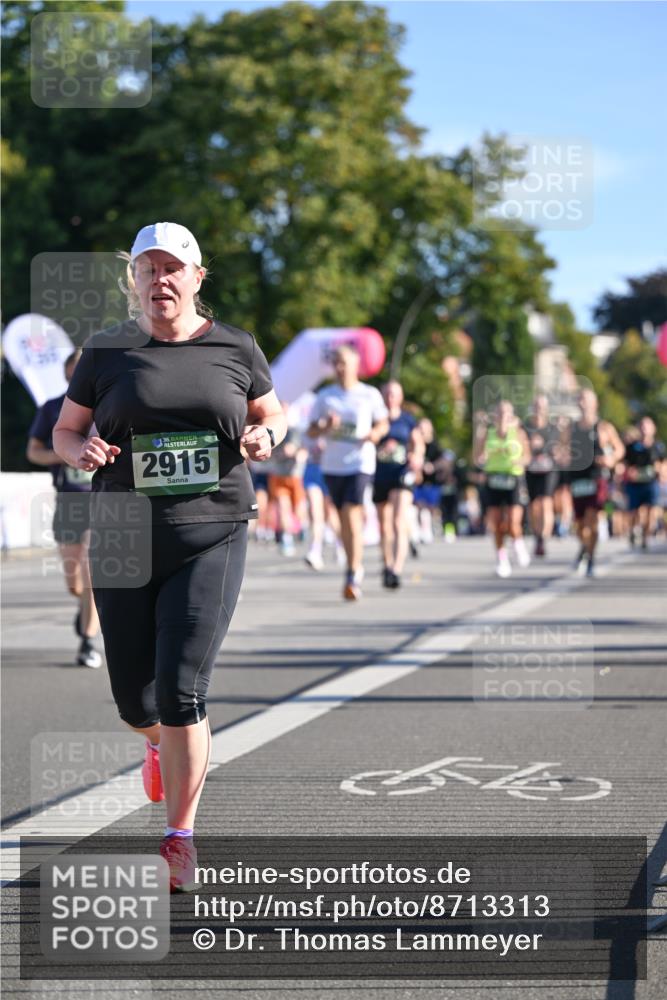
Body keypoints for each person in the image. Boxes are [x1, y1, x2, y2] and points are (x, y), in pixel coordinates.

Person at [53, 222, 286, 891]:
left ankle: (179, 834)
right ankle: (156, 744)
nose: (162, 280)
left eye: (173, 268)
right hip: (124, 531)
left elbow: (275, 412)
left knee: (183, 689)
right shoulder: (107, 352)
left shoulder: (234, 346)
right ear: (134, 280)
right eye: (148, 269)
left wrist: (266, 433)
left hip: (211, 530)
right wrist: (82, 451)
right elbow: (69, 430)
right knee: (135, 701)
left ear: (196, 277)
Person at [27, 350, 102, 668]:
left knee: (91, 570)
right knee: (75, 581)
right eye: (76, 366)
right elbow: (34, 452)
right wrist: (68, 451)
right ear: (68, 372)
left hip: (101, 499)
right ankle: (84, 607)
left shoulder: (111, 403)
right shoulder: (53, 408)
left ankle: (87, 641)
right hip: (68, 501)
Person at [307, 344, 388, 600]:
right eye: (337, 363)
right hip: (333, 465)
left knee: (352, 514)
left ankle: (352, 573)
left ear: (356, 365)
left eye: (344, 363)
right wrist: (325, 426)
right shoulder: (325, 396)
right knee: (342, 519)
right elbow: (310, 431)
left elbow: (383, 422)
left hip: (359, 463)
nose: (340, 368)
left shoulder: (369, 394)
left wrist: (375, 434)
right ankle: (355, 563)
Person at [565, 388, 624, 577]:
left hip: (597, 477)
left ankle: (590, 558)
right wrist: (562, 457)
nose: (582, 402)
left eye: (586, 399)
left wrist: (611, 459)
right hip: (577, 478)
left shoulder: (604, 427)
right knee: (581, 524)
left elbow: (619, 449)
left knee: (593, 518)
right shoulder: (570, 428)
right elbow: (560, 448)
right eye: (580, 399)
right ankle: (584, 547)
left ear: (594, 404)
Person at [373, 381, 424, 588]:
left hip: (402, 473)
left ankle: (396, 568)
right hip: (380, 473)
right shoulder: (375, 419)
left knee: (398, 521)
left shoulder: (407, 420)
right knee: (384, 527)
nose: (390, 398)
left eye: (394, 394)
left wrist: (416, 458)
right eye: (387, 394)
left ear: (400, 397)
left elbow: (418, 444)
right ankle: (386, 564)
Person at [473, 401, 531, 577]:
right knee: (497, 524)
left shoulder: (518, 433)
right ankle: (501, 558)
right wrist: (482, 456)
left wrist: (518, 461)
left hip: (513, 477)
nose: (502, 416)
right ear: (495, 416)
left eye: (506, 413)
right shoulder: (487, 434)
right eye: (499, 413)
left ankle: (518, 542)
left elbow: (527, 456)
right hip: (493, 478)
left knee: (513, 521)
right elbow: (477, 457)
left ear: (511, 416)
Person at [267, 402, 308, 556]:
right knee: (283, 507)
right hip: (278, 474)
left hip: (295, 475)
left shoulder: (295, 430)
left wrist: (297, 453)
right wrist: (279, 454)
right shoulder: (271, 430)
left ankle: (302, 525)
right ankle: (286, 538)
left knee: (298, 510)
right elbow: (268, 453)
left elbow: (304, 448)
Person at [523, 393, 560, 557]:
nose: (539, 410)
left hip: (548, 470)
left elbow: (560, 448)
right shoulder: (525, 427)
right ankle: (537, 535)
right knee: (533, 505)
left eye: (542, 407)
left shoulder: (553, 428)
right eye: (537, 406)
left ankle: (543, 539)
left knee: (545, 502)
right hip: (530, 470)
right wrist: (528, 445)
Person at [623, 416, 665, 550]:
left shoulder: (658, 446)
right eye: (642, 426)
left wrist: (661, 470)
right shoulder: (632, 446)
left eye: (647, 426)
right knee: (635, 512)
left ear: (653, 429)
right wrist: (628, 471)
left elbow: (663, 462)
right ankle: (633, 530)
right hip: (635, 483)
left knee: (651, 510)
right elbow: (624, 463)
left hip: (651, 482)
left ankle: (645, 538)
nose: (644, 429)